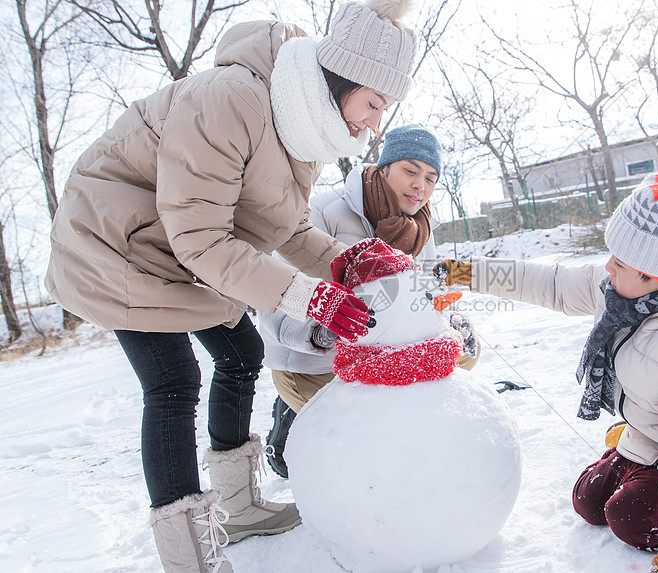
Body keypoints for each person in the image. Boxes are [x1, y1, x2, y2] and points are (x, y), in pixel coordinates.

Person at [44, 1, 420, 571]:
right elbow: (204, 240)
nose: (374, 123)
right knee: (173, 381)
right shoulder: (229, 99)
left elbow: (286, 229)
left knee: (241, 352)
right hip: (114, 243)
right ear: (343, 77)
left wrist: (349, 263)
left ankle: (239, 508)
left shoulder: (301, 124)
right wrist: (309, 295)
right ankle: (189, 558)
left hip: (181, 249)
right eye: (373, 104)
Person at [434, 153, 658, 573]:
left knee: (632, 519)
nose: (607, 267)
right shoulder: (624, 291)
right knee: (588, 501)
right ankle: (638, 456)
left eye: (620, 263)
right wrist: (469, 273)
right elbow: (550, 282)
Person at [259, 124, 480, 478]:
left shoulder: (421, 231)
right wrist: (319, 331)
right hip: (313, 361)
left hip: (384, 355)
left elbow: (428, 294)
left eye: (431, 177)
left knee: (467, 351)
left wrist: (447, 321)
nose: (420, 185)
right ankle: (290, 413)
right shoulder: (319, 215)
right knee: (360, 443)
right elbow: (268, 301)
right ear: (383, 167)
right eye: (410, 170)